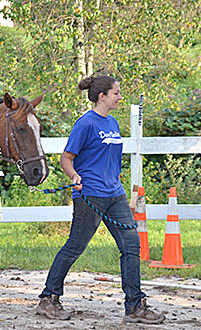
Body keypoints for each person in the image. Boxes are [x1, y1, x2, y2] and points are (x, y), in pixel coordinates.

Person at [35, 75, 165, 324]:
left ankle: (135, 306)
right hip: (90, 195)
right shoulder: (85, 123)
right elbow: (66, 158)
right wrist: (74, 176)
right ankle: (48, 298)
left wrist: (117, 186)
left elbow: (111, 161)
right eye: (116, 93)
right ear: (102, 96)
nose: (120, 96)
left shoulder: (113, 123)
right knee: (75, 246)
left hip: (114, 195)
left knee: (131, 246)